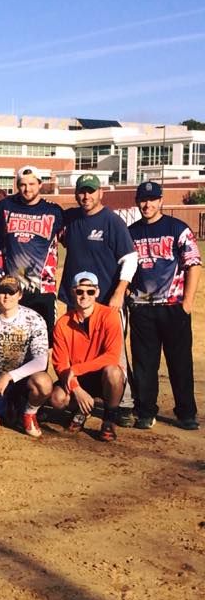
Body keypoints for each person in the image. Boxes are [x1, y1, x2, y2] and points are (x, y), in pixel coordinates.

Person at [59, 173, 138, 426]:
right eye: (82, 191)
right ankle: (82, 402)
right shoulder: (71, 219)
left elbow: (130, 258)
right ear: (76, 194)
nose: (86, 196)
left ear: (100, 192)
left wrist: (118, 292)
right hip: (77, 299)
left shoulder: (112, 222)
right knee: (77, 352)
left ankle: (123, 404)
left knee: (115, 356)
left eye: (91, 191)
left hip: (106, 301)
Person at [128, 181, 201, 430]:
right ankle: (146, 410)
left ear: (161, 201)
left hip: (173, 306)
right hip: (142, 307)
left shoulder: (177, 228)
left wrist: (187, 303)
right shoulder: (131, 232)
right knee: (144, 364)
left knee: (179, 362)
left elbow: (193, 264)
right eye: (142, 200)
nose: (147, 205)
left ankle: (186, 412)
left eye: (152, 200)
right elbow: (123, 267)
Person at [0, 165, 64, 341]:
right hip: (12, 288)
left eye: (31, 184)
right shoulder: (5, 206)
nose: (27, 189)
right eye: (22, 184)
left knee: (42, 342)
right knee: (13, 341)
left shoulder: (54, 211)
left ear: (40, 184)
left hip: (43, 289)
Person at [0, 276, 53, 438]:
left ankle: (29, 413)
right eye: (2, 292)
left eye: (11, 292)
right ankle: (6, 411)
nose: (6, 296)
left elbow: (41, 362)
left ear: (19, 295)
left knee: (44, 383)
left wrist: (9, 376)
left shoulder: (34, 319)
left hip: (24, 381)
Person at [49, 271, 125, 441]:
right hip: (79, 379)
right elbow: (60, 364)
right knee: (57, 399)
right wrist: (77, 389)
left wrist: (76, 369)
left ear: (97, 292)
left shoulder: (109, 316)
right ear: (72, 291)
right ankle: (83, 410)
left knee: (114, 373)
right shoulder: (63, 323)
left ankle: (109, 419)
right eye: (79, 291)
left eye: (90, 291)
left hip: (102, 374)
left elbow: (112, 356)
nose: (85, 296)